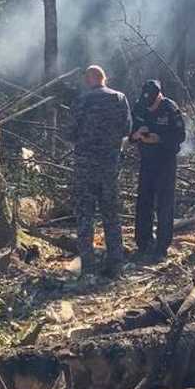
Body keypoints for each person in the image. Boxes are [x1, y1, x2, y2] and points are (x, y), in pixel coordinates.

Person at [71, 64, 130, 276]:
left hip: (85, 167)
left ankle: (88, 266)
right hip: (109, 166)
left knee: (85, 215)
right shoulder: (119, 98)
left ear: (89, 79)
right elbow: (127, 129)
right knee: (111, 214)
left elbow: (71, 132)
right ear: (104, 78)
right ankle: (116, 264)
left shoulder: (82, 100)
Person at [129, 79, 185, 262]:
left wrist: (159, 138)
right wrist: (137, 135)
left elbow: (180, 135)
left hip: (165, 162)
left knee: (165, 205)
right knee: (144, 201)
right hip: (146, 161)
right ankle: (143, 243)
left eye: (153, 102)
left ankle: (162, 246)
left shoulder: (170, 108)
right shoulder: (139, 106)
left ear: (159, 96)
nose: (150, 106)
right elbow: (129, 132)